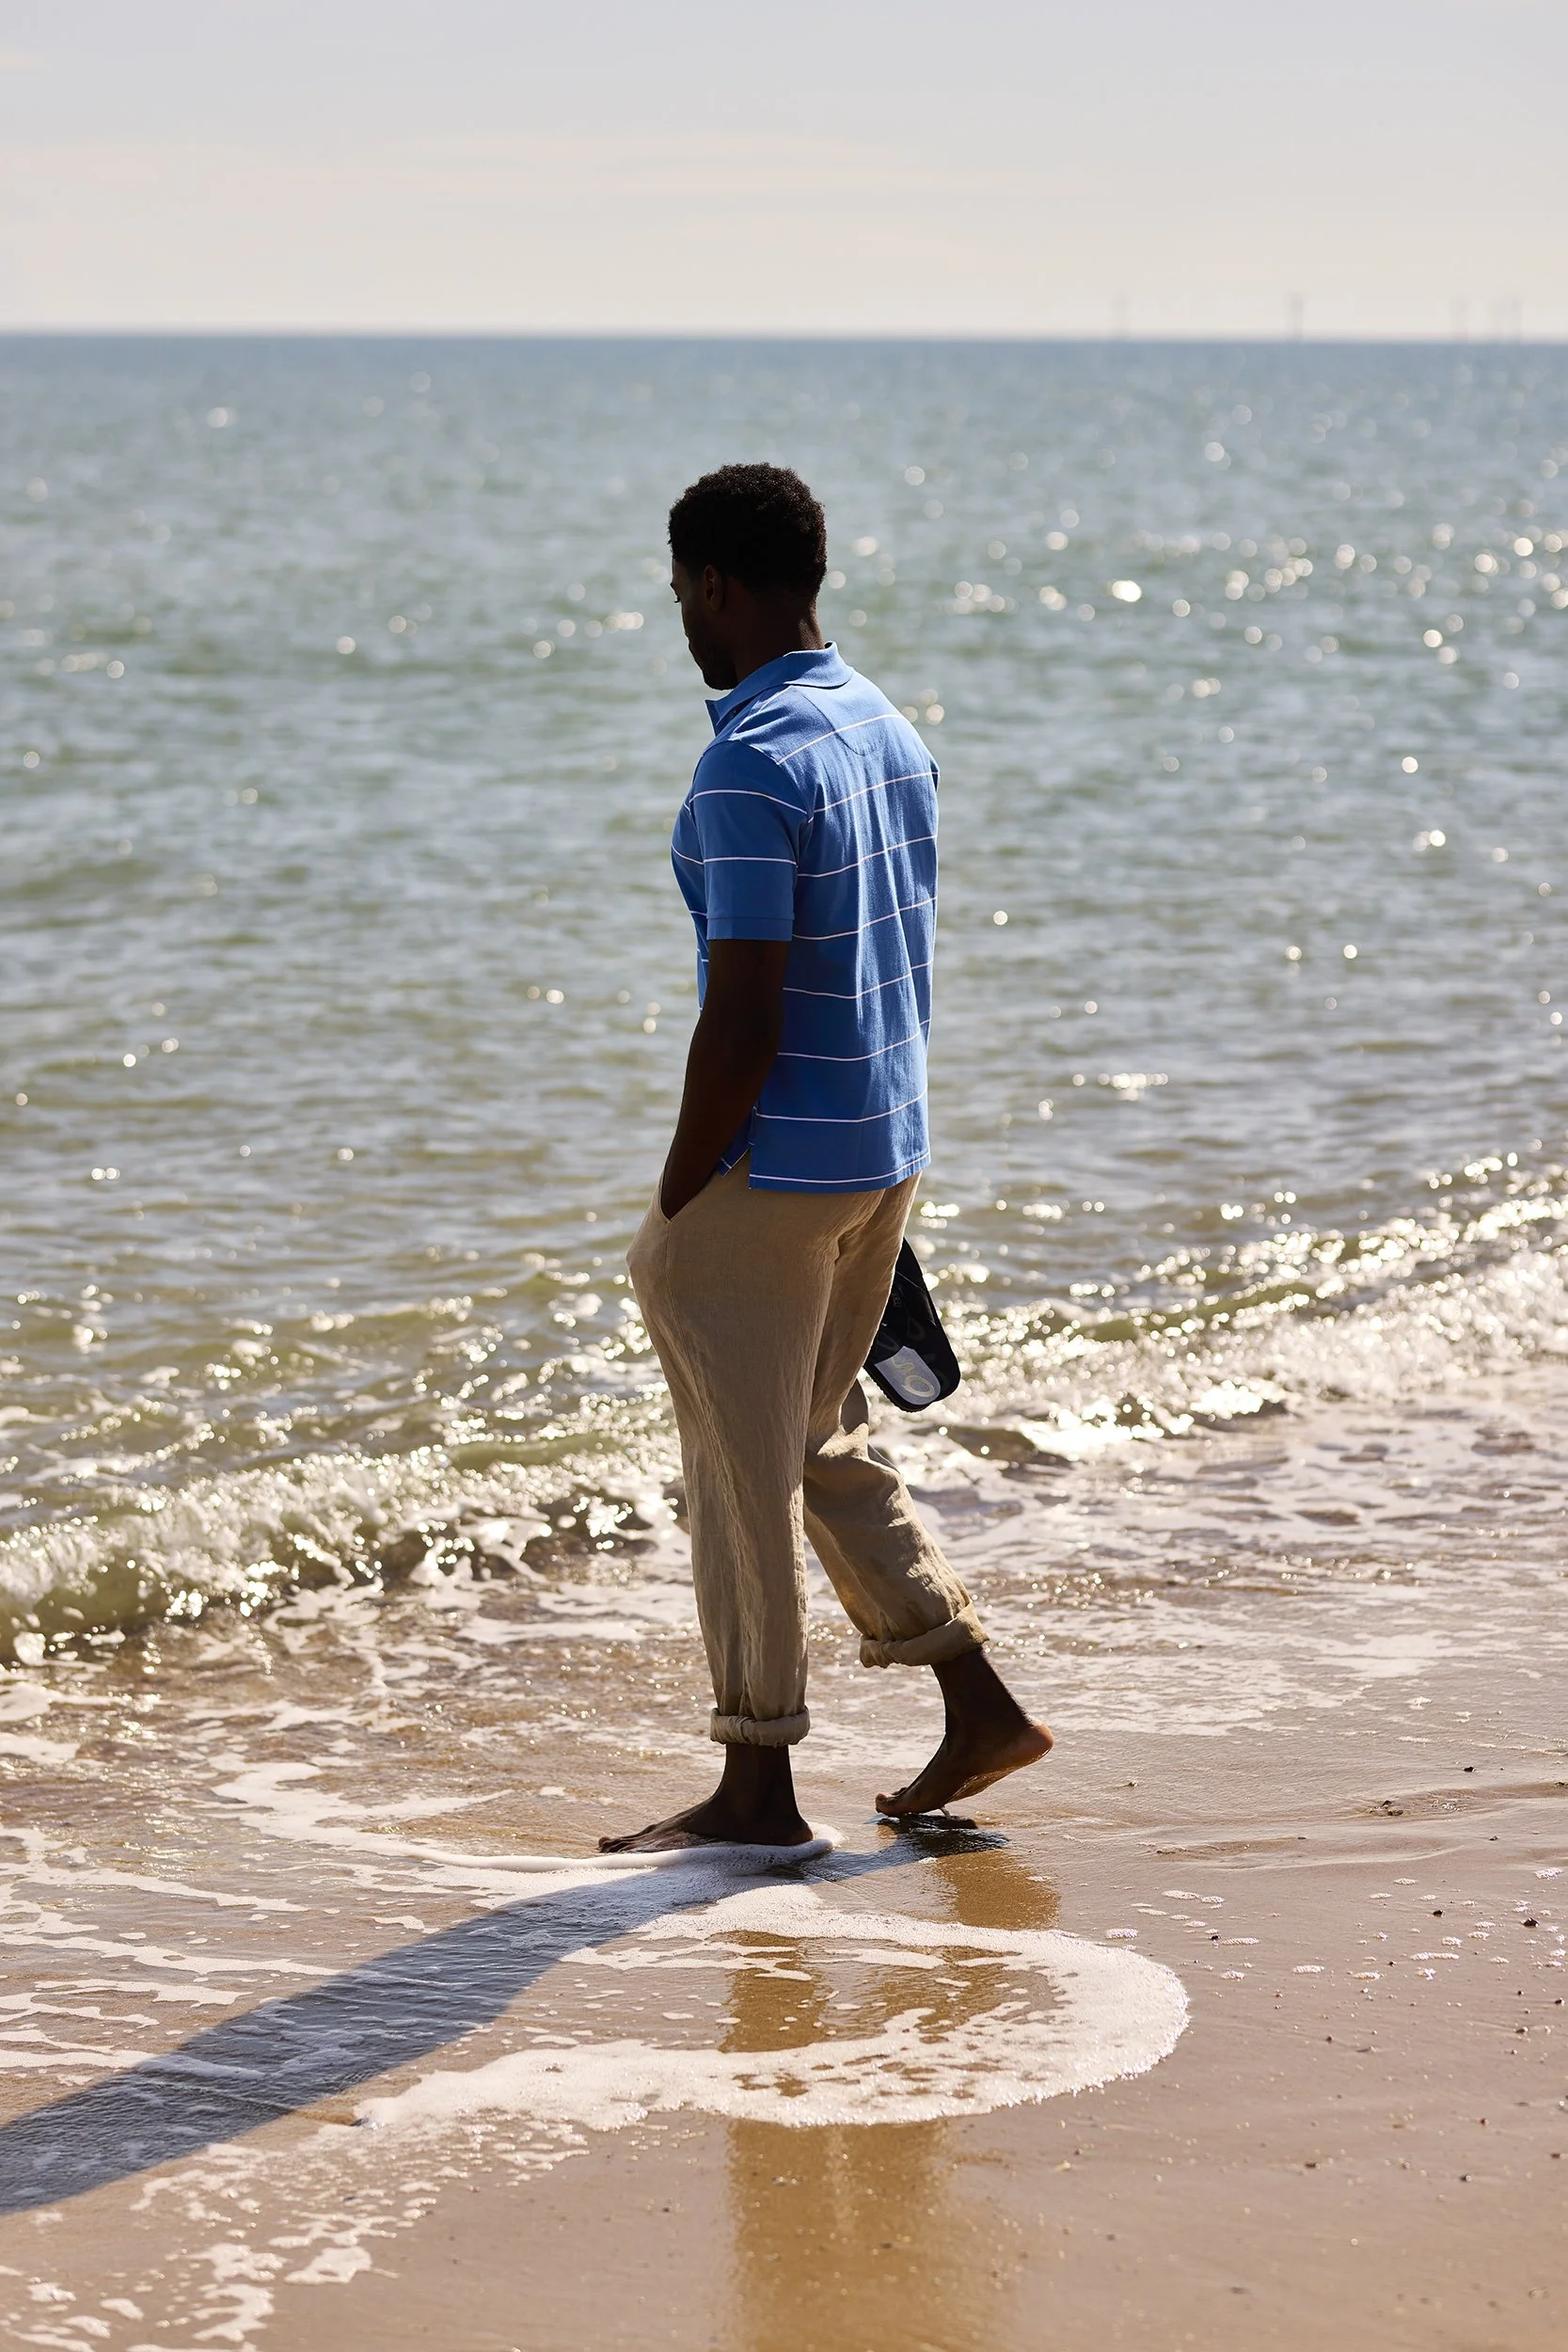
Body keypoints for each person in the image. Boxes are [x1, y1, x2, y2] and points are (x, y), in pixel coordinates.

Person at [601, 464, 1051, 1852]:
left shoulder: (748, 762)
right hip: (879, 1154)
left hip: (772, 1175)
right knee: (814, 1439)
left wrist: (681, 1186)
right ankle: (973, 1699)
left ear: (718, 586)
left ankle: (755, 1786)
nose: (682, 618)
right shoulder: (883, 728)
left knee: (736, 1473)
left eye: (684, 594)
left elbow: (742, 1005)